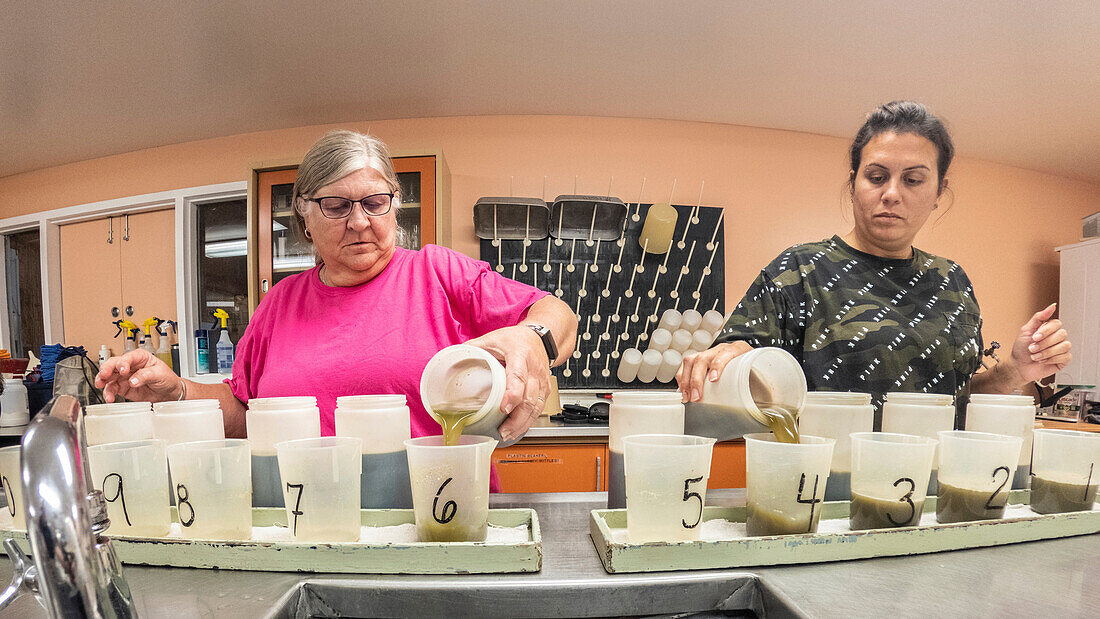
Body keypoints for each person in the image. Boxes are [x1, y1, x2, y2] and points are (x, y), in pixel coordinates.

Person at [96, 129, 577, 444]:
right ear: (305, 218)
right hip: (308, 515)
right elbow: (245, 414)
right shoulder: (280, 303)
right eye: (336, 206)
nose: (360, 222)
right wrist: (178, 390)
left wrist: (531, 338)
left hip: (437, 513)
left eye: (374, 202)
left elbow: (558, 314)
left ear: (394, 206)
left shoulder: (436, 273)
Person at [676, 101, 1071, 422]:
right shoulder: (799, 269)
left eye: (913, 180)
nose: (892, 194)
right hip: (825, 495)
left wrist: (1016, 370)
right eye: (877, 176)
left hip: (936, 492)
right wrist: (727, 357)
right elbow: (741, 357)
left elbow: (957, 397)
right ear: (854, 184)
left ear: (938, 192)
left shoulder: (951, 280)